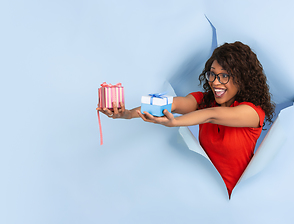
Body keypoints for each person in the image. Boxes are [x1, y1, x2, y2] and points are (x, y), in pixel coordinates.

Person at [97, 41, 275, 198]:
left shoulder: (252, 112)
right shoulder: (203, 100)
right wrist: (127, 114)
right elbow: (170, 104)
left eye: (225, 76)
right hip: (205, 194)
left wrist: (174, 122)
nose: (215, 81)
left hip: (239, 198)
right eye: (212, 74)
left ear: (242, 78)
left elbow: (212, 115)